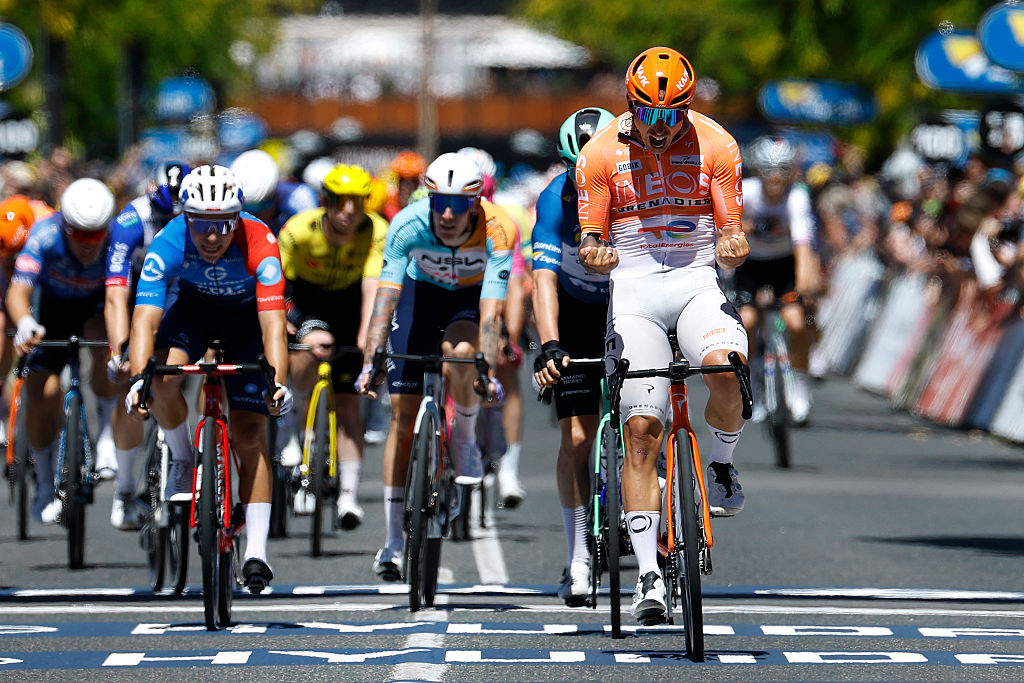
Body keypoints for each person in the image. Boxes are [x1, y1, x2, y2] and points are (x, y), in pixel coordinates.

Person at [575, 47, 749, 625]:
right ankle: (648, 577)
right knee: (642, 429)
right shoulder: (599, 154)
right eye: (649, 114)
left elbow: (731, 227)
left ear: (688, 108)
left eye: (673, 115)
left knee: (727, 367)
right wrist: (595, 251)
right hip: (635, 292)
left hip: (697, 281)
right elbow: (592, 234)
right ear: (629, 105)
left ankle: (722, 464)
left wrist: (732, 243)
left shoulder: (717, 144)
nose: (660, 127)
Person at [124, 164, 291, 593]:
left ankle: (256, 551)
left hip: (247, 324)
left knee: (250, 434)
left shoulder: (260, 241)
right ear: (186, 218)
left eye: (221, 225)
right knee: (163, 380)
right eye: (201, 225)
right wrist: (139, 378)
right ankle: (182, 459)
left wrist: (278, 382)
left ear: (236, 219)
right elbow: (144, 318)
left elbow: (273, 324)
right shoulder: (169, 240)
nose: (212, 236)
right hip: (193, 315)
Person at [356, 152, 515, 581]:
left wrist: (488, 370)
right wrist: (372, 358)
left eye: (458, 205)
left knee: (463, 354)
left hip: (468, 301)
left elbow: (492, 310)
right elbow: (385, 298)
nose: (446, 214)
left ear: (475, 203)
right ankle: (391, 542)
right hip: (419, 300)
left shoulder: (498, 229)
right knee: (402, 419)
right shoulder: (407, 223)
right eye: (437, 201)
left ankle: (464, 436)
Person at [532, 106, 617, 605]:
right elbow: (542, 281)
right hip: (575, 314)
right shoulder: (553, 201)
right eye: (573, 171)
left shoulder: (631, 197)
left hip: (628, 309)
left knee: (645, 417)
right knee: (578, 436)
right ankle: (579, 557)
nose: (583, 181)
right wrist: (549, 343)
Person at [278, 164, 388, 529]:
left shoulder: (375, 230)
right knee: (307, 357)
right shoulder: (297, 230)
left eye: (357, 203)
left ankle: (348, 497)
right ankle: (295, 432)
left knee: (348, 406)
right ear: (325, 201)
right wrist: (296, 327)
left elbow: (373, 290)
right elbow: (279, 290)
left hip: (350, 304)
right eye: (340, 203)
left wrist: (368, 338)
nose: (349, 212)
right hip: (306, 302)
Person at [7, 178, 119, 525]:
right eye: (80, 235)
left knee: (107, 349)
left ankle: (105, 439)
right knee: (43, 391)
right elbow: (17, 291)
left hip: (96, 307)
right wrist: (25, 322)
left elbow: (122, 297)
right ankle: (43, 481)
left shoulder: (118, 239)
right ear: (65, 226)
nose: (89, 244)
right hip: (52, 309)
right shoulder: (45, 235)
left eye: (95, 235)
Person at [104, 161, 191, 530]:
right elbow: (116, 293)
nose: (170, 220)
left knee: (171, 378)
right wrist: (117, 350)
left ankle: (184, 456)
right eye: (163, 213)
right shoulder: (129, 223)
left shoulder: (197, 223)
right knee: (130, 377)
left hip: (178, 294)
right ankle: (124, 489)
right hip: (139, 294)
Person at [734, 136, 819, 424]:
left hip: (784, 264)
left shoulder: (797, 196)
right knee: (748, 322)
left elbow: (803, 246)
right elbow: (728, 232)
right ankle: (755, 382)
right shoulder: (746, 192)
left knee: (796, 322)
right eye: (769, 171)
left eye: (782, 171)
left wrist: (805, 286)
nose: (774, 179)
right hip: (752, 264)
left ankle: (801, 389)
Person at [230, 149, 319, 234]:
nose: (252, 217)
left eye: (259, 210)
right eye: (244, 210)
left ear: (274, 195)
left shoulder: (300, 198)